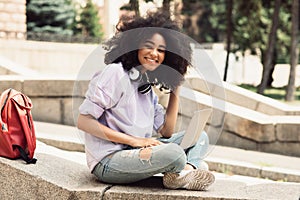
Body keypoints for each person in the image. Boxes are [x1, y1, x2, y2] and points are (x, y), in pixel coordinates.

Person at [77, 11, 215, 190]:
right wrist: (134, 141)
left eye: (161, 50)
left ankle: (183, 172)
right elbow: (84, 121)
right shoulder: (115, 73)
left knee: (199, 137)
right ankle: (187, 166)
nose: (154, 53)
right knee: (174, 154)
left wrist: (176, 89)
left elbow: (166, 131)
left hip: (137, 153)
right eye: (148, 46)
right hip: (108, 160)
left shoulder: (146, 88)